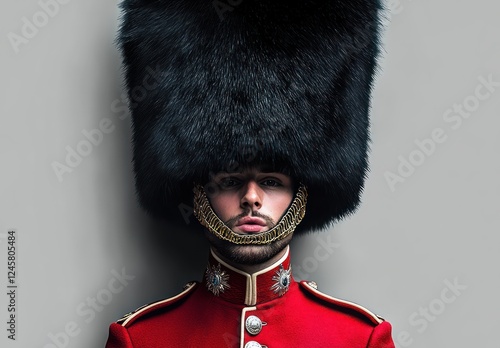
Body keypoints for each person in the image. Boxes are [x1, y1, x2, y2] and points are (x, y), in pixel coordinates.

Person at [106, 1, 396, 347]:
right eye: (229, 181)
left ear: (301, 193)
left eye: (272, 181)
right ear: (199, 192)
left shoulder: (359, 338)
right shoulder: (140, 339)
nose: (251, 198)